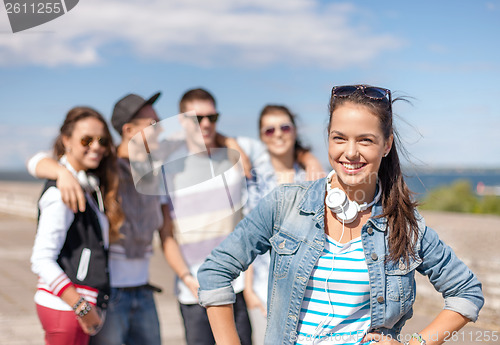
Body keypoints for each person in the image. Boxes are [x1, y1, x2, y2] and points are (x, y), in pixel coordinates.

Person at [197, 84, 484, 345]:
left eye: (365, 140)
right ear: (328, 139)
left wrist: (416, 344)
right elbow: (215, 271)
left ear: (386, 145)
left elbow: (467, 292)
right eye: (339, 138)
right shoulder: (284, 204)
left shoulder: (404, 224)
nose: (350, 152)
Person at [28, 92, 168, 345]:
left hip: (130, 291)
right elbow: (35, 161)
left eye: (102, 140)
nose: (96, 146)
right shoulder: (91, 176)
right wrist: (61, 173)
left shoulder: (104, 174)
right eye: (153, 124)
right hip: (99, 296)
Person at [31, 106, 123, 345]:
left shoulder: (86, 186)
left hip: (74, 308)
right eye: (86, 139)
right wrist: (81, 307)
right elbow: (41, 259)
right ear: (66, 140)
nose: (96, 146)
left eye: (102, 140)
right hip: (67, 309)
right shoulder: (60, 194)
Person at [244, 104, 325, 345]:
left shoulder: (314, 176)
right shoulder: (253, 180)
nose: (278, 133)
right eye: (269, 130)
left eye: (284, 127)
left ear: (294, 130)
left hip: (311, 293)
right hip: (263, 290)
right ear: (261, 136)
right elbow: (248, 238)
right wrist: (248, 290)